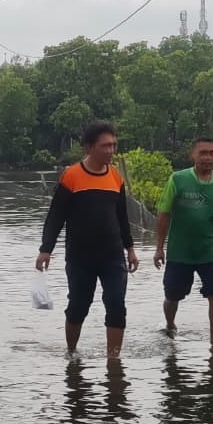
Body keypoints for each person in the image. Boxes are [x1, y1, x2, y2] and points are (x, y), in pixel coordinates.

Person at [36, 120, 139, 358]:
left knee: (116, 305)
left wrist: (130, 248)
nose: (111, 151)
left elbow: (122, 217)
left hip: (113, 256)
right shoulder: (71, 176)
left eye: (113, 145)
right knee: (78, 307)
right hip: (80, 257)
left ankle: (114, 361)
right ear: (89, 148)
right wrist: (46, 249)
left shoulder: (115, 177)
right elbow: (56, 216)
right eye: (105, 146)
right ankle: (72, 354)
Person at [154, 137, 213, 347]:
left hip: (209, 251)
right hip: (180, 252)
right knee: (172, 295)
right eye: (202, 153)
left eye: (211, 153)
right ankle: (170, 324)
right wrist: (159, 248)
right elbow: (163, 214)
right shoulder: (177, 179)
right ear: (193, 156)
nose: (207, 157)